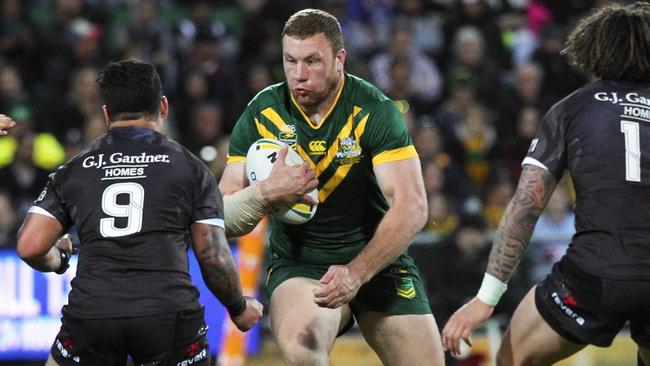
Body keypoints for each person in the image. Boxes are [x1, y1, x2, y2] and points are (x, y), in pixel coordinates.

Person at [219, 8, 444, 366]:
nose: (299, 75)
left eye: (312, 61)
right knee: (306, 353)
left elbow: (413, 206)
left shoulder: (374, 110)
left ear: (340, 59)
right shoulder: (263, 114)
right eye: (290, 61)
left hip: (378, 261)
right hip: (301, 267)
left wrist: (356, 273)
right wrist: (263, 193)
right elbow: (223, 216)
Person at [16, 60, 263, 366]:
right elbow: (212, 255)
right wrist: (238, 307)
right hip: (168, 314)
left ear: (106, 114)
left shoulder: (75, 170)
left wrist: (59, 259)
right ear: (163, 107)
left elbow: (29, 246)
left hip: (94, 314)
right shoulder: (190, 169)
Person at [442, 3, 650, 366]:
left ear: (597, 48)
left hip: (595, 275)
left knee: (512, 359)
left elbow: (525, 206)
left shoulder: (572, 109)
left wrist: (486, 298)